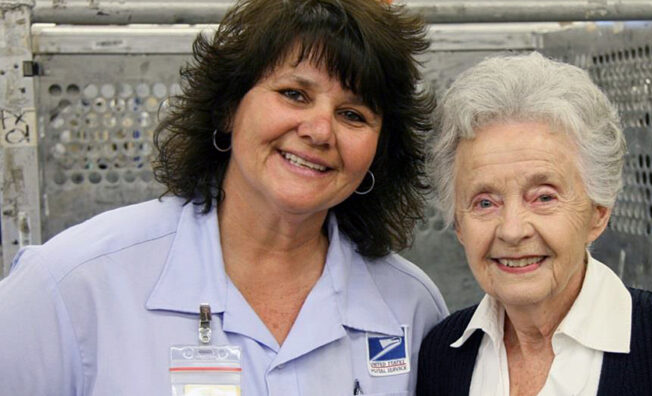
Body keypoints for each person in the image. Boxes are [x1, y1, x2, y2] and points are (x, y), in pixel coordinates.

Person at [0, 0, 448, 394]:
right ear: (229, 107)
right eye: (294, 94)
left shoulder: (408, 305)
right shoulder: (73, 286)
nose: (319, 130)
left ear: (379, 149)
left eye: (352, 114)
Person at [416, 52, 652, 396]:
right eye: (485, 202)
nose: (512, 230)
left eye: (544, 197)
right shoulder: (441, 355)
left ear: (598, 211)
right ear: (459, 226)